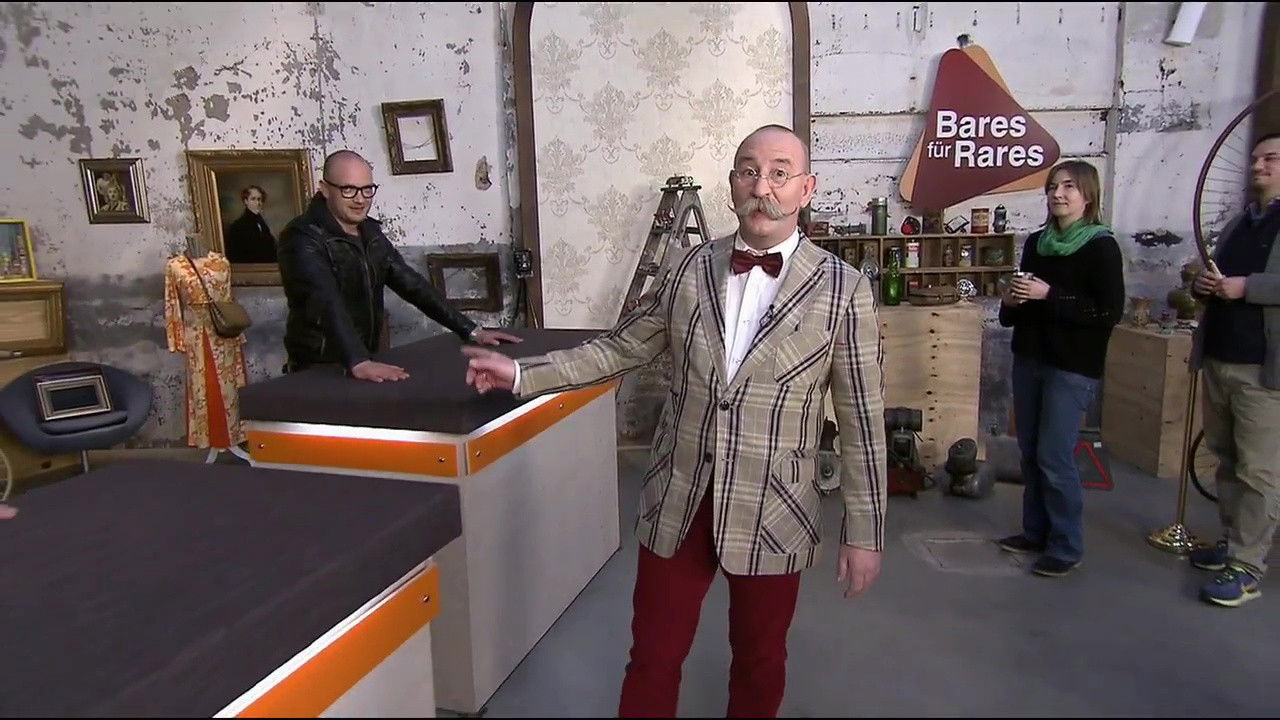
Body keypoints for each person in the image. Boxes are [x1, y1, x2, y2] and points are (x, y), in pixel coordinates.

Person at [461, 125, 887, 718]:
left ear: (806, 188)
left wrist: (864, 531)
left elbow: (862, 419)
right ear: (732, 183)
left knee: (760, 662)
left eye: (779, 173)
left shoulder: (844, 289)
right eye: (748, 171)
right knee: (653, 656)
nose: (762, 187)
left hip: (775, 507)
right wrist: (520, 373)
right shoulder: (689, 268)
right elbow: (619, 348)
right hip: (679, 496)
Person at [277, 150, 520, 382]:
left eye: (367, 189)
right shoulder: (302, 238)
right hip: (319, 369)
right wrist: (358, 360)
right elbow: (325, 300)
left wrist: (471, 330)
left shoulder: (370, 233)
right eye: (348, 190)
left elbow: (411, 285)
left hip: (363, 362)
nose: (360, 199)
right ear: (324, 189)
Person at [996, 159, 1125, 577]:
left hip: (1071, 367)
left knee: (1055, 455)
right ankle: (1035, 531)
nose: (1058, 194)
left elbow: (1107, 312)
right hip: (1030, 358)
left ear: (1088, 195)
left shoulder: (1101, 247)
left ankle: (1067, 545)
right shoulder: (1038, 243)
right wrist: (1012, 301)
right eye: (1053, 186)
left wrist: (1049, 294)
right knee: (1031, 451)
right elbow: (1016, 311)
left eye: (1068, 186)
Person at [1186, 131, 1280, 607]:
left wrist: (1249, 287)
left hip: (1263, 369)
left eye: (1271, 159)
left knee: (1259, 470)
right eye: (1256, 158)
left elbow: (1248, 285)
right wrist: (1205, 285)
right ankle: (1231, 541)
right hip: (1221, 357)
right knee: (1225, 456)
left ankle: (1247, 566)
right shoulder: (1241, 223)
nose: (1258, 166)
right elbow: (1220, 277)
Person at [223, 185, 278, 264]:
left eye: (259, 199)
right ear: (246, 201)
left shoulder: (262, 224)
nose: (257, 203)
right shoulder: (238, 226)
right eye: (253, 199)